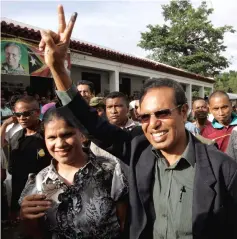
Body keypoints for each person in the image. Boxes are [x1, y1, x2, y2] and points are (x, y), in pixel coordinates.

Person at [38, 6, 237, 238]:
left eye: (162, 113)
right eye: (144, 116)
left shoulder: (223, 169)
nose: (153, 124)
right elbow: (91, 125)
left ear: (184, 112)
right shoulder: (139, 149)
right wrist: (57, 69)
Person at [19, 107, 128, 239]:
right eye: (52, 137)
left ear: (82, 135)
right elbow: (32, 233)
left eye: (67, 134)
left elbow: (124, 224)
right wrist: (26, 218)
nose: (60, 144)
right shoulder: (39, 181)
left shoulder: (109, 170)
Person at [1, 96, 51, 218]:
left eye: (26, 114)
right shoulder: (16, 136)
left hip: (43, 192)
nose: (21, 118)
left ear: (37, 112)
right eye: (17, 115)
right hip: (19, 190)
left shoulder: (48, 134)